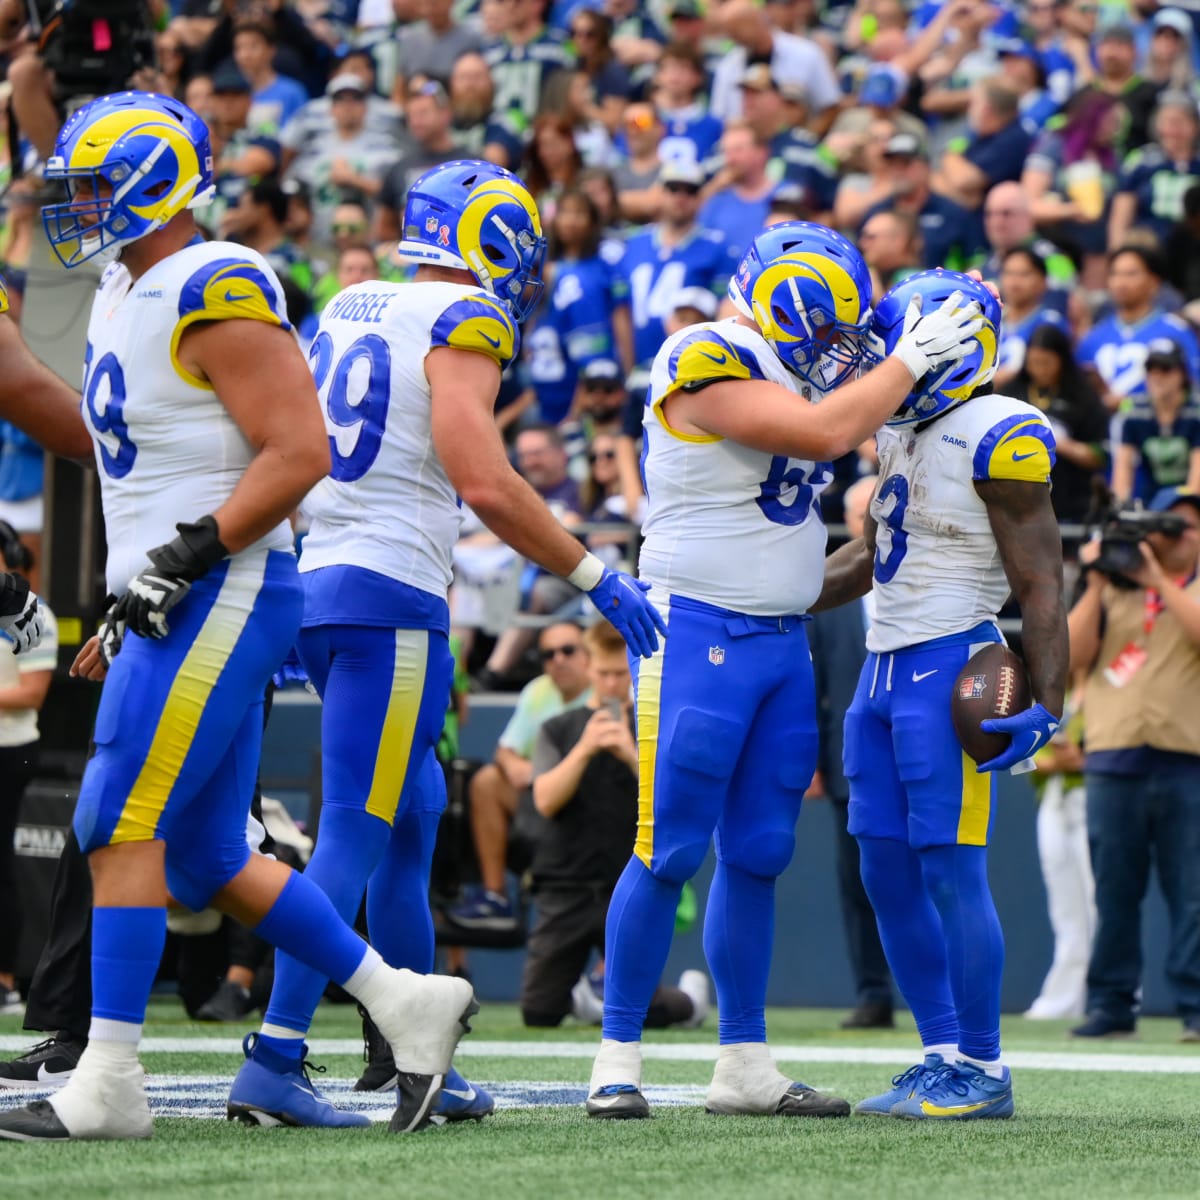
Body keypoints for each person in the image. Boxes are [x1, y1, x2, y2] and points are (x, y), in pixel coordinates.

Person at [0, 92, 476, 1144]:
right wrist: (140, 588)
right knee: (212, 851)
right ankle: (407, 1000)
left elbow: (300, 450)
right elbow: (114, 448)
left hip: (228, 585)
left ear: (153, 180)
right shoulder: (132, 287)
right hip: (180, 590)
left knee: (114, 821)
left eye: (90, 185)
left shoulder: (216, 278)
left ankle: (111, 1078)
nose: (75, 207)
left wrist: (189, 554)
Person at [230, 158, 664, 1128]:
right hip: (391, 594)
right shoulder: (463, 320)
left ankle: (408, 1054)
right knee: (354, 830)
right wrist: (596, 574)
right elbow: (490, 481)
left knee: (414, 817)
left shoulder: (350, 302)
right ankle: (276, 1055)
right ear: (483, 232)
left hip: (324, 579)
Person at [587, 222, 987, 1120]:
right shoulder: (706, 351)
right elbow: (819, 432)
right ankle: (617, 1055)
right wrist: (906, 362)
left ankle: (743, 1061)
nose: (844, 347)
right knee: (668, 850)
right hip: (695, 636)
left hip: (779, 645)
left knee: (760, 854)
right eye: (836, 323)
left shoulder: (797, 366)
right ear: (791, 297)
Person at [818, 269, 1068, 1122]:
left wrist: (1051, 701)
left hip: (950, 667)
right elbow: (869, 554)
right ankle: (939, 1055)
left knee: (952, 870)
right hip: (881, 669)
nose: (887, 362)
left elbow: (1040, 583)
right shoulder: (900, 428)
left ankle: (985, 1069)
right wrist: (770, 592)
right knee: (884, 871)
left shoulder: (1001, 430)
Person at [524, 619, 705, 1030]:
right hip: (565, 887)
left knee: (647, 1011)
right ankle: (589, 995)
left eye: (619, 673)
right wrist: (585, 748)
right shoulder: (557, 727)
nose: (609, 683)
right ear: (589, 668)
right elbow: (545, 800)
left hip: (624, 884)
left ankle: (690, 1002)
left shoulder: (651, 725)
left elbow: (671, 795)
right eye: (602, 673)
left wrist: (629, 750)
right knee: (538, 1012)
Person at [1067, 487, 1200, 1042]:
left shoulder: (1182, 590)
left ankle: (1195, 1005)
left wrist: (1159, 583)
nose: (1173, 538)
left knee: (1193, 893)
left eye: (1184, 529)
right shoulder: (1112, 590)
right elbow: (1070, 657)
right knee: (1113, 893)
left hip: (1186, 760)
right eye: (1166, 527)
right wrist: (1097, 582)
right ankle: (1111, 1004)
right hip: (1113, 759)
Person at [807, 476, 894, 1030]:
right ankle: (874, 992)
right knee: (859, 878)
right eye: (864, 515)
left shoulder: (925, 580)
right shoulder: (828, 597)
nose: (873, 528)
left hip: (917, 747)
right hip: (849, 761)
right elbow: (812, 684)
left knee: (935, 873)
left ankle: (943, 995)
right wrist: (815, 761)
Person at [450, 621, 593, 931]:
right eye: (548, 654)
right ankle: (495, 897)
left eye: (567, 650)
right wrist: (515, 765)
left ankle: (602, 976)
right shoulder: (538, 690)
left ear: (588, 655)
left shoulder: (605, 690)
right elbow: (505, 749)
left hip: (592, 814)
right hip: (541, 808)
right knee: (487, 781)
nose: (558, 660)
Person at [0, 519, 55, 1013]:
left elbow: (31, 693)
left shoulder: (33, 611)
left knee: (0, 860)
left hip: (10, 747)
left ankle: (5, 979)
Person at [612, 160, 737, 376]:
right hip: (638, 368)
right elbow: (621, 310)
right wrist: (627, 368)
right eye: (673, 188)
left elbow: (723, 315)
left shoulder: (717, 248)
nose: (681, 197)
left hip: (689, 369)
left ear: (700, 198)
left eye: (690, 190)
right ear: (660, 193)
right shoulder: (633, 242)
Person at [1077, 245, 1200, 410]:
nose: (1121, 282)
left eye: (1131, 274)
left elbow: (1193, 391)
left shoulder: (1177, 332)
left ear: (1154, 281)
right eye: (1114, 274)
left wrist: (1129, 404)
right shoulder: (1093, 336)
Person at [1009, 323, 1109, 525]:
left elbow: (1101, 455)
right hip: (1018, 502)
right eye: (1034, 362)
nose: (1039, 369)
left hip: (1072, 503)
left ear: (1061, 360)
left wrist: (1062, 444)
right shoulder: (1011, 394)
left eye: (1046, 362)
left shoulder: (1083, 398)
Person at [1108, 91, 1200, 252]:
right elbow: (1120, 215)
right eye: (1167, 121)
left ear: (1195, 126)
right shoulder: (1141, 161)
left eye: (1180, 121)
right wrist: (1118, 253)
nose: (1173, 129)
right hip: (1149, 249)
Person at [1111, 340, 1200, 503]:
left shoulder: (1196, 411)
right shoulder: (1135, 411)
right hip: (1153, 500)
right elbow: (1122, 471)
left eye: (1165, 369)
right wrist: (1119, 507)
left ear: (1182, 374)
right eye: (1151, 369)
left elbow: (1196, 484)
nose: (1157, 377)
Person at [993, 247, 1070, 389]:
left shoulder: (1051, 324)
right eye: (1009, 273)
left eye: (1024, 274)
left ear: (1043, 281)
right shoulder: (990, 320)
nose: (1014, 282)